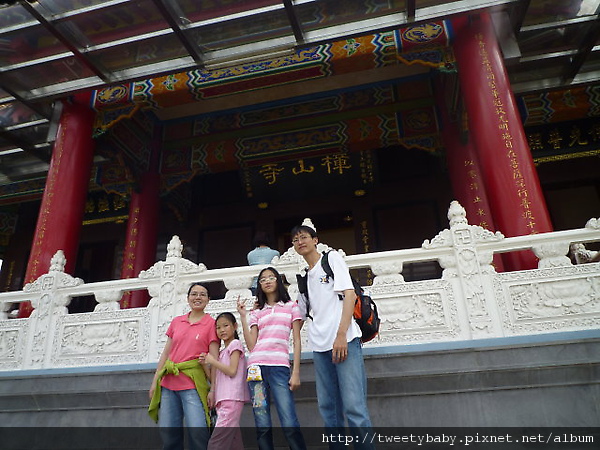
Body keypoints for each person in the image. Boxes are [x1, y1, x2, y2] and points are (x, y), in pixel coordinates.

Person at [291, 224, 375, 450]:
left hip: (345, 340)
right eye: (296, 239)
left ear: (315, 239)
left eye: (304, 237)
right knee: (329, 409)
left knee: (354, 407)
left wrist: (340, 334)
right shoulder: (304, 278)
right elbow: (297, 314)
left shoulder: (332, 259)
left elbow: (349, 294)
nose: (300, 242)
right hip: (320, 347)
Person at [237, 267, 307, 450]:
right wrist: (244, 317)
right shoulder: (257, 311)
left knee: (289, 421)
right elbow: (251, 345)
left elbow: (297, 340)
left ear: (278, 280)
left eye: (271, 277)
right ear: (259, 285)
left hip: (279, 368)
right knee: (262, 423)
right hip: (256, 371)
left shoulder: (292, 306)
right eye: (262, 279)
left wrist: (296, 372)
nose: (267, 281)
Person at [149, 283, 220, 450]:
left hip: (193, 384)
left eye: (202, 294)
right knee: (169, 433)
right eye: (194, 294)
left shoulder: (211, 324)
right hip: (168, 384)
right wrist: (154, 382)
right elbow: (166, 354)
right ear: (188, 298)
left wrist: (213, 389)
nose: (198, 297)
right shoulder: (177, 322)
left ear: (208, 300)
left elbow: (214, 359)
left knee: (198, 432)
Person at [201, 312, 249, 450]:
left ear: (235, 326)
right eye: (218, 327)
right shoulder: (222, 352)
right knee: (234, 443)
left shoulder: (235, 344)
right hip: (223, 400)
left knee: (216, 443)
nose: (221, 330)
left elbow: (232, 371)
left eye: (225, 326)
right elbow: (214, 379)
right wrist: (205, 364)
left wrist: (212, 361)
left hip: (231, 399)